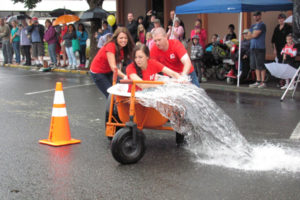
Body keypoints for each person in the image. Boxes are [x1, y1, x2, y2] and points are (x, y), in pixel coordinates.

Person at [90, 27, 135, 98]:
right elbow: (114, 67)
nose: (123, 40)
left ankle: (116, 108)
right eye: (121, 38)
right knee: (112, 96)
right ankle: (111, 108)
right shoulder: (111, 46)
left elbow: (122, 64)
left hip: (109, 71)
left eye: (125, 38)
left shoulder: (124, 48)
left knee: (120, 92)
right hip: (98, 72)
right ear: (116, 38)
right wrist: (125, 76)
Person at [248, 11, 267, 89]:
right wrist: (251, 35)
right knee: (255, 65)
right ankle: (258, 80)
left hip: (260, 47)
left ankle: (263, 82)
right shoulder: (252, 26)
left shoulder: (262, 25)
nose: (255, 17)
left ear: (260, 16)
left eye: (257, 15)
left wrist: (252, 35)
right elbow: (247, 36)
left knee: (261, 65)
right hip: (253, 47)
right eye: (254, 16)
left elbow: (255, 35)